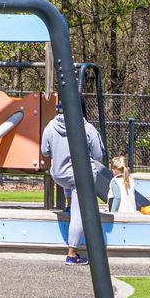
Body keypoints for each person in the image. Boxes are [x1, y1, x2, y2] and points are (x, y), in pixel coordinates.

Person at [38, 91, 107, 265]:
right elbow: (98, 156)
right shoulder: (87, 128)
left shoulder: (51, 125)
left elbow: (45, 151)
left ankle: (68, 205)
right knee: (79, 214)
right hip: (80, 177)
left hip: (58, 174)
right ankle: (72, 254)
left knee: (68, 173)